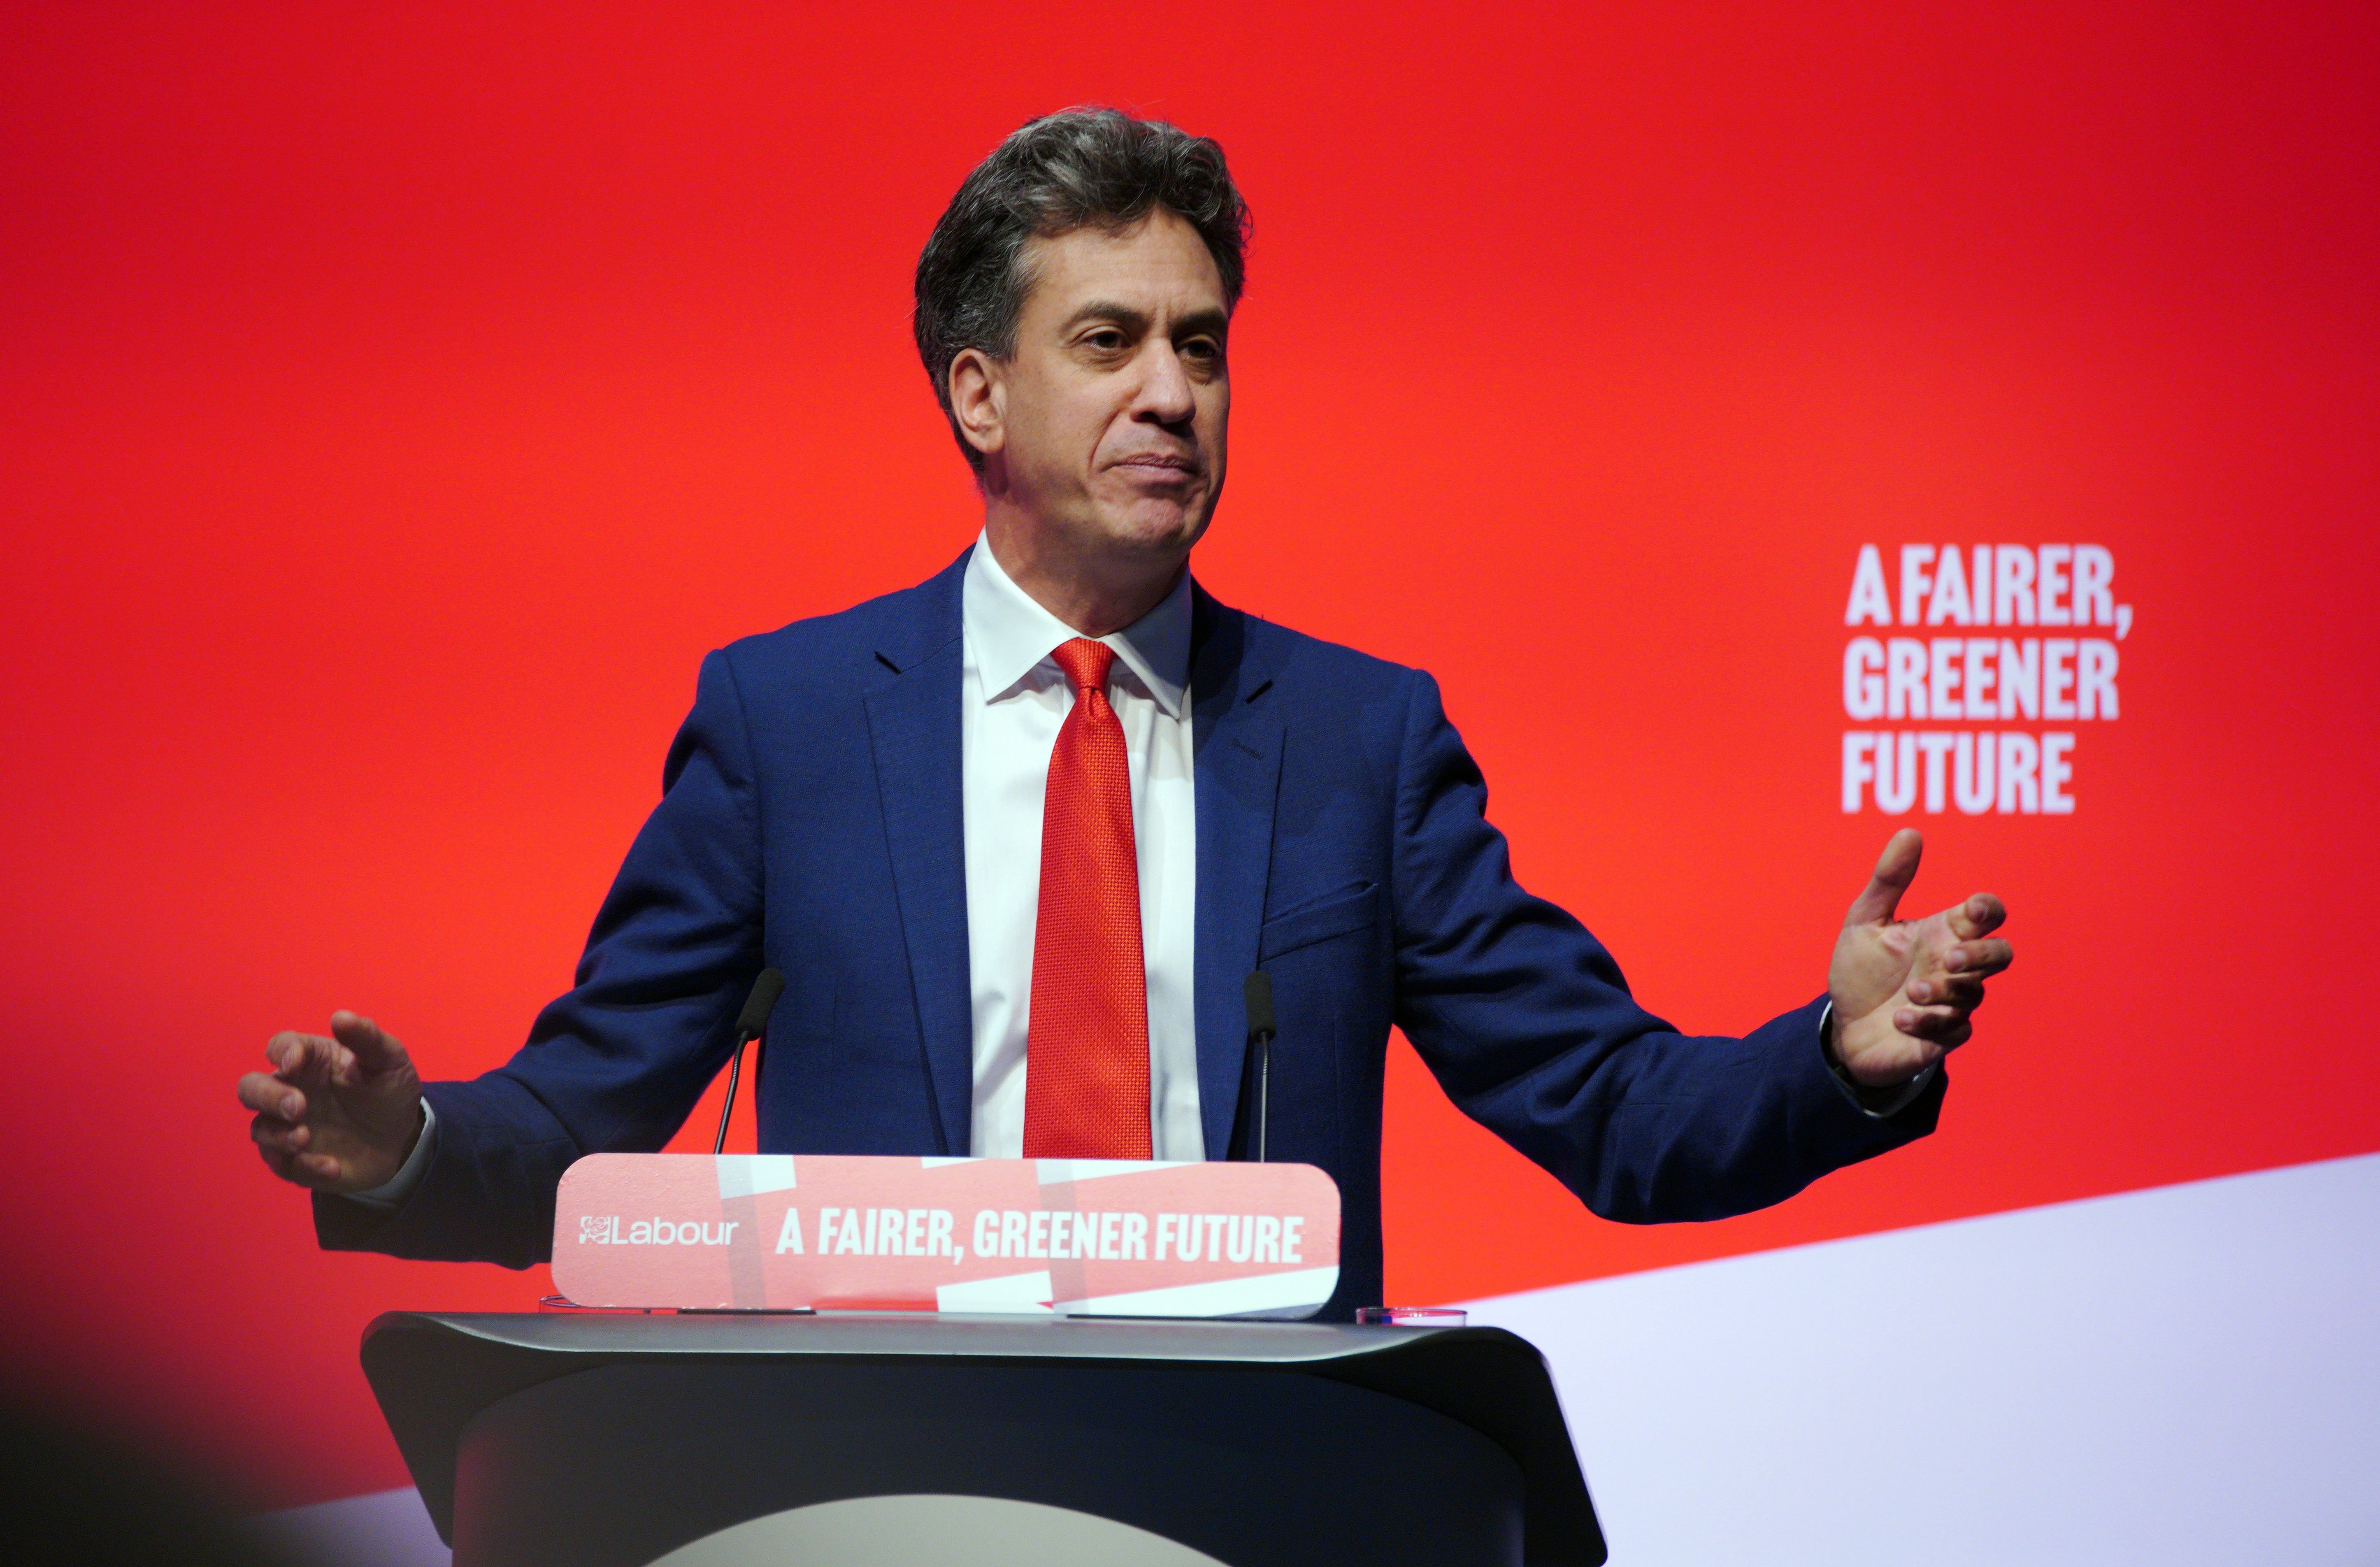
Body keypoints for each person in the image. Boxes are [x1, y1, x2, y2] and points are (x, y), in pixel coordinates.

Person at [238, 108, 2012, 1316]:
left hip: (1260, 1486)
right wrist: (406, 1150)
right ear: (978, 393)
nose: (1175, 393)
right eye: (1112, 343)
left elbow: (1612, 1107)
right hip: (868, 1496)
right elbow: (588, 1117)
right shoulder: (786, 726)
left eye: (1207, 344)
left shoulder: (1358, 745)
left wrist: (1831, 1059)